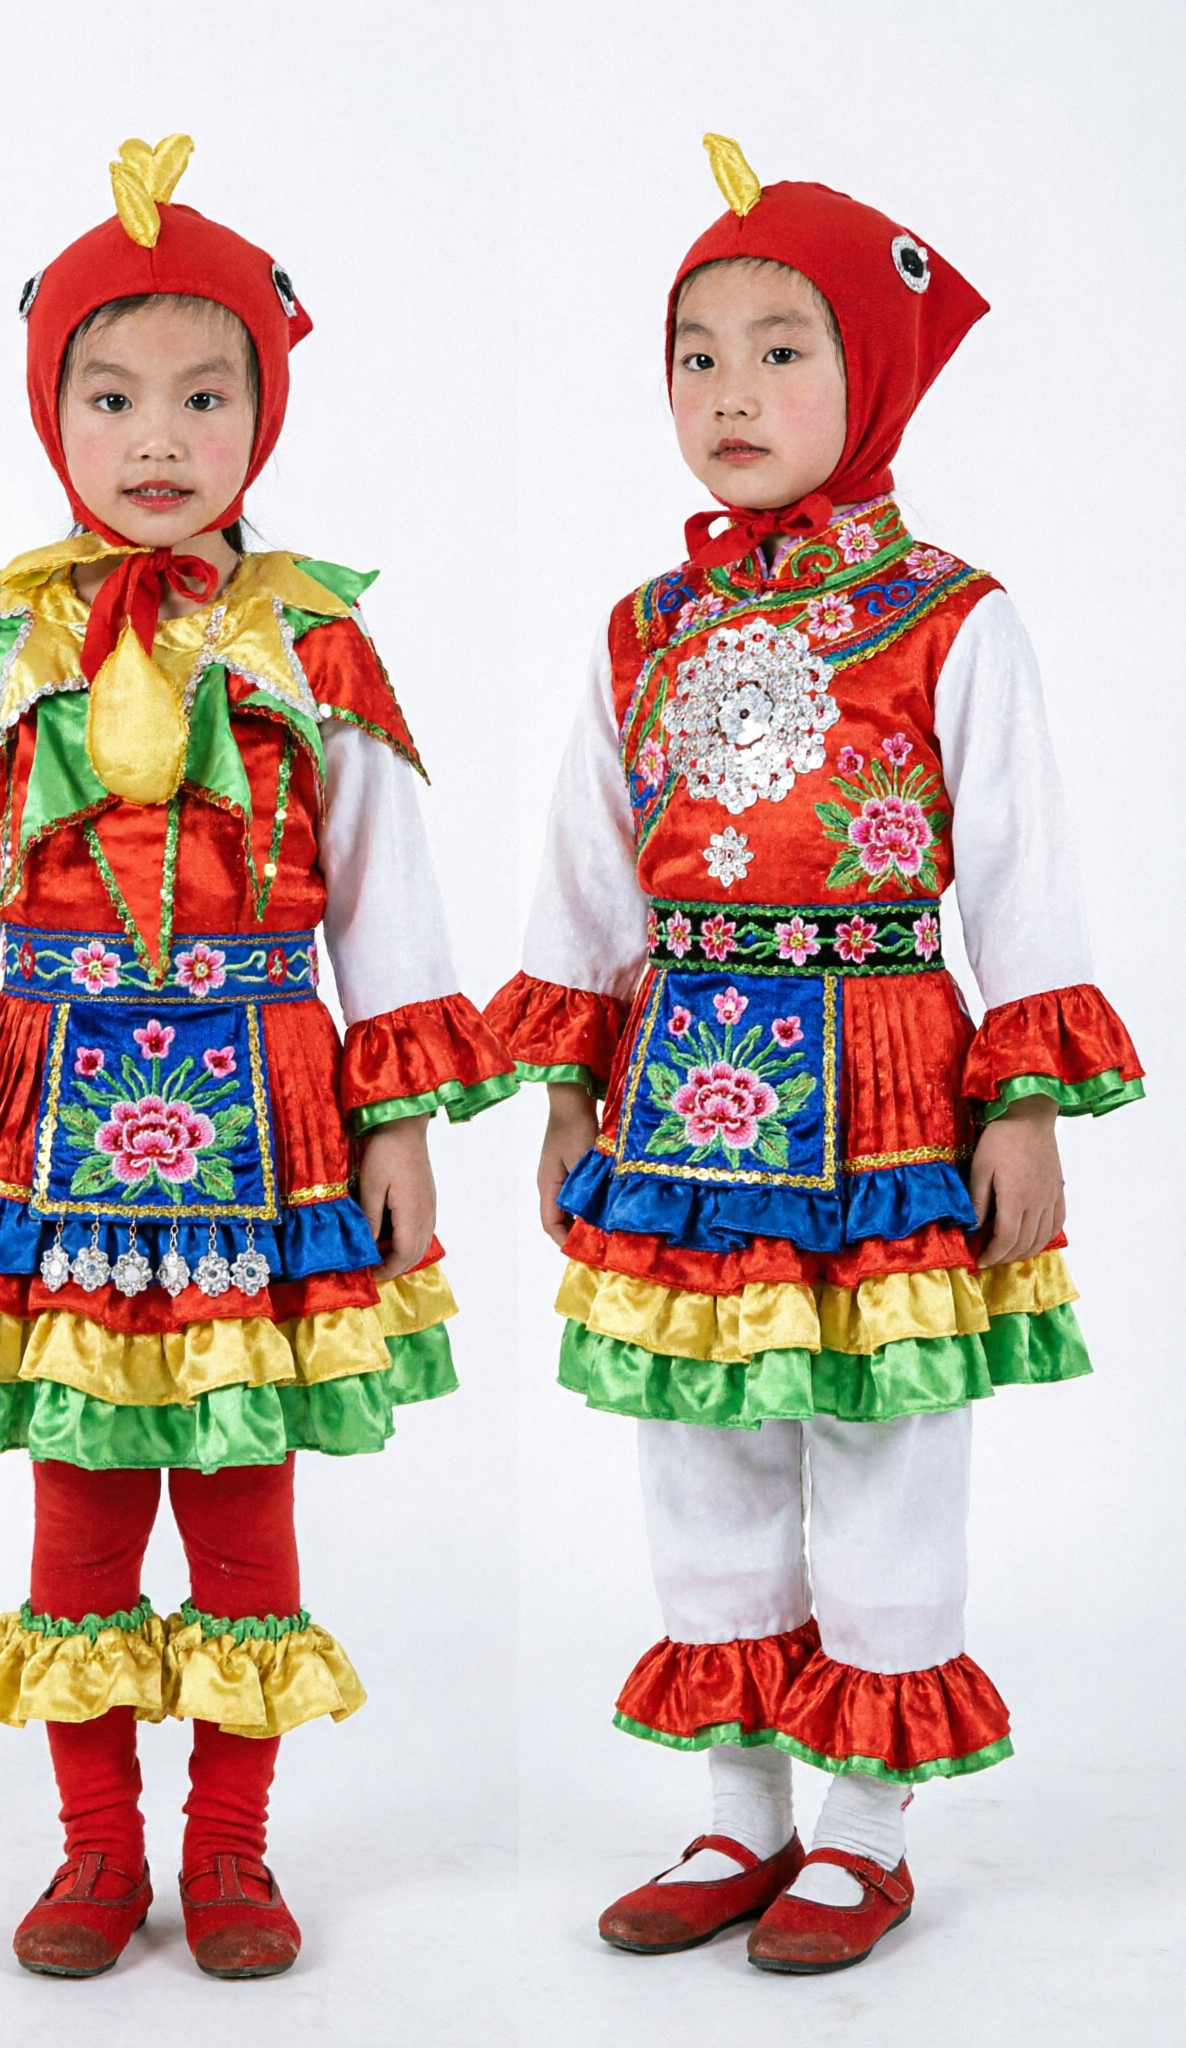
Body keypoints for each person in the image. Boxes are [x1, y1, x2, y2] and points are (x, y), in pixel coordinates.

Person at [0, 136, 513, 1980]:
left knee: (248, 1499)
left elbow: (387, 892)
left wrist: (401, 1119)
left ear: (261, 415)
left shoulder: (315, 644)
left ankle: (234, 1853)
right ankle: (96, 1854)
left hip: (272, 1126)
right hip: (47, 1127)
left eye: (206, 397)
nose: (157, 437)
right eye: (111, 396)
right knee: (80, 1497)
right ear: (54, 413)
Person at [486, 135, 1143, 1975]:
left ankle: (864, 1829)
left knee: (877, 1433)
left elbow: (1018, 868)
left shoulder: (952, 617)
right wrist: (564, 1081)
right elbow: (590, 866)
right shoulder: (648, 627)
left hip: (884, 1095)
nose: (729, 392)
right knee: (702, 1434)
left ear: (875, 376)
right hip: (686, 1089)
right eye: (696, 352)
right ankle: (735, 1811)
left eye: (782, 348)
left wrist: (1023, 1099)